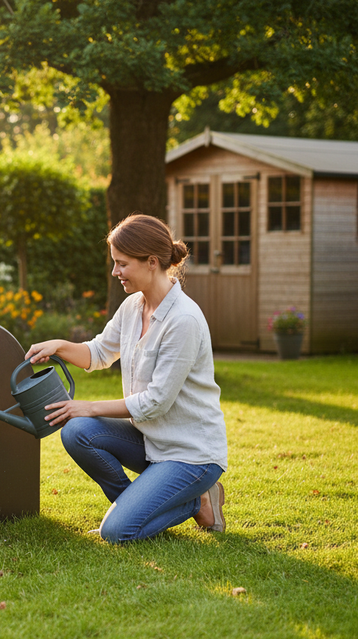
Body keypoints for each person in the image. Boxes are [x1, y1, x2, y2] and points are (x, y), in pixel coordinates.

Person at [25, 213, 227, 543]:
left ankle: (196, 498)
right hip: (150, 440)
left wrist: (88, 406)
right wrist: (59, 346)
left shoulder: (184, 320)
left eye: (122, 264)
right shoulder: (133, 306)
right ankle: (134, 504)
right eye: (114, 263)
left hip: (191, 454)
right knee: (77, 432)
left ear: (151, 262)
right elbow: (99, 352)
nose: (115, 272)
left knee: (117, 533)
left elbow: (156, 402)